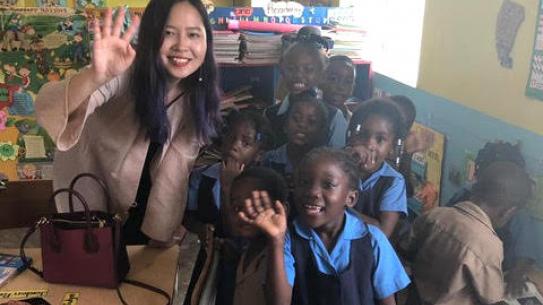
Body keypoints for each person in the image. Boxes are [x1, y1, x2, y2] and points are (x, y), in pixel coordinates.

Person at [35, 0, 221, 245]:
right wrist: (94, 78)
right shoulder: (124, 70)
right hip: (89, 194)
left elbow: (176, 170)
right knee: (92, 269)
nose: (182, 46)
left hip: (142, 203)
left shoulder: (197, 93)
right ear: (151, 35)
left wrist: (161, 236)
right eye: (168, 33)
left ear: (207, 41)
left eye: (194, 34)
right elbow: (60, 109)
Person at [240, 147, 410, 305]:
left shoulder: (372, 240)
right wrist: (276, 240)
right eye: (304, 182)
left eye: (328, 185)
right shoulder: (288, 238)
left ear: (350, 198)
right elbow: (279, 302)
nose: (313, 192)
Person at [405, 161, 533, 305]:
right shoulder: (489, 245)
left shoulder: (435, 215)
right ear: (507, 212)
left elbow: (407, 249)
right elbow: (491, 298)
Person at [184, 110, 275, 236]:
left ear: (259, 154)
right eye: (231, 137)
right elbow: (188, 218)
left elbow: (235, 234)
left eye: (246, 143)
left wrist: (228, 187)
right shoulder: (200, 176)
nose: (234, 145)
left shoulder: (260, 189)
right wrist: (200, 229)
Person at [264, 36, 348, 148]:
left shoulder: (334, 117)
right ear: (282, 69)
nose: (298, 75)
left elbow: (340, 161)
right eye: (291, 68)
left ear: (322, 74)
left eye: (308, 69)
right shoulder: (270, 114)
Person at [226, 167, 289, 305]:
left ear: (281, 210)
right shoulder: (248, 247)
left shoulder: (280, 256)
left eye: (255, 206)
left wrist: (276, 239)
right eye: (237, 207)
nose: (243, 215)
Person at [346, 98, 408, 237]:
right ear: (352, 136)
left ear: (391, 148)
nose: (370, 145)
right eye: (363, 135)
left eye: (380, 139)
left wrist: (340, 207)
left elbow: (383, 232)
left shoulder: (393, 182)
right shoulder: (338, 166)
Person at [261, 90, 328, 191]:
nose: (301, 125)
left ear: (321, 131)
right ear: (285, 126)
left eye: (311, 122)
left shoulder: (325, 165)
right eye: (296, 119)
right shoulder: (270, 159)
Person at [321, 55, 356, 120]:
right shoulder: (308, 113)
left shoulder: (353, 121)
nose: (341, 87)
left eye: (348, 82)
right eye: (333, 79)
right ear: (321, 80)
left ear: (353, 87)